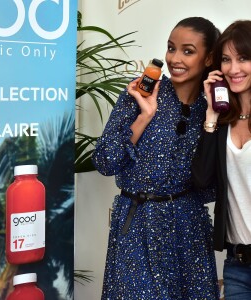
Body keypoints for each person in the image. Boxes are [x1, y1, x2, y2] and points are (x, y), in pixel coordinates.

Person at [92, 17, 220, 299]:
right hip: (138, 224)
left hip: (188, 228)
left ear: (209, 57)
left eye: (188, 51)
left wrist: (213, 116)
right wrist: (144, 116)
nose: (175, 59)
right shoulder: (142, 91)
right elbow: (104, 161)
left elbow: (210, 185)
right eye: (171, 48)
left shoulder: (213, 105)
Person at [192, 20, 251, 300]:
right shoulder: (224, 122)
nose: (233, 69)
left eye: (243, 58)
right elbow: (202, 180)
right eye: (226, 59)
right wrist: (211, 115)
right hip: (237, 264)